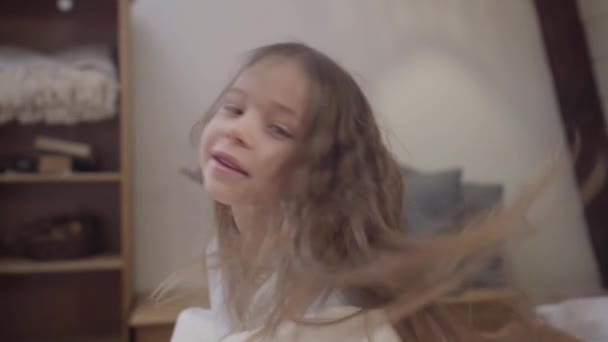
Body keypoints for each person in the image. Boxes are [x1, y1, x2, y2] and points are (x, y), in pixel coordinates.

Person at [170, 42, 576, 341]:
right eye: (233, 108)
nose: (237, 131)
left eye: (278, 129)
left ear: (319, 172)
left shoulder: (322, 284)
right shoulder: (222, 249)